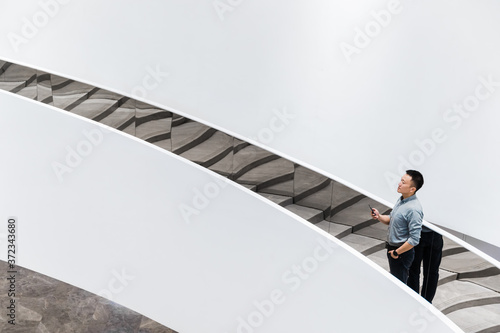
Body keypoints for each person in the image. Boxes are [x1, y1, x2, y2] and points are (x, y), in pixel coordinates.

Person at [371, 170, 424, 283]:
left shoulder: (414, 209)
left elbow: (414, 239)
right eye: (401, 180)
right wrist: (379, 216)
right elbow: (392, 219)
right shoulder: (401, 200)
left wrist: (397, 252)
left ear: (412, 189)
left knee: (399, 286)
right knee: (395, 283)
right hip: (394, 250)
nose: (399, 184)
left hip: (400, 253)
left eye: (403, 182)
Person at [407, 226, 443, 303]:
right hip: (434, 233)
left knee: (414, 270)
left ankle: (415, 300)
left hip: (419, 231)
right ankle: (425, 302)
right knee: (431, 272)